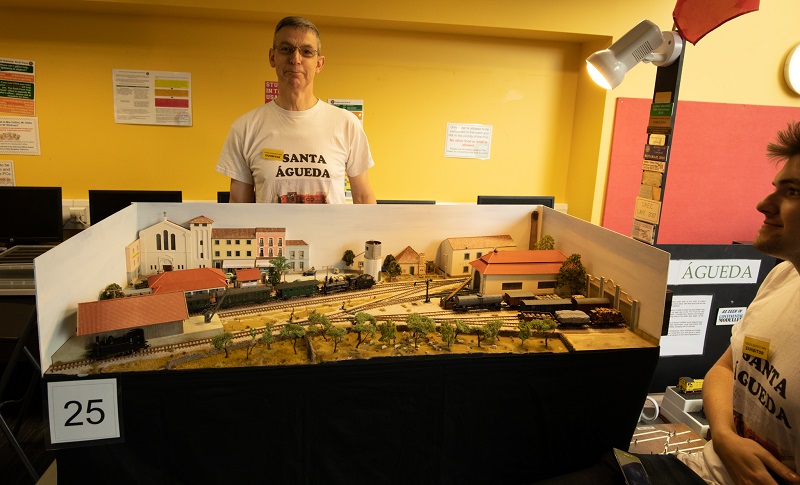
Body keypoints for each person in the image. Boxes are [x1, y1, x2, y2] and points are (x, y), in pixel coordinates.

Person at [537, 121, 800, 485]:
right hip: (701, 468)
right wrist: (725, 438)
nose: (763, 205)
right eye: (777, 188)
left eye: (793, 192)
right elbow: (724, 370)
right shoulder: (783, 277)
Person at [216, 16, 377, 204]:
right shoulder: (244, 129)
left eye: (306, 52)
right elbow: (238, 207)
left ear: (319, 63)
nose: (295, 59)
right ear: (272, 57)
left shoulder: (347, 124)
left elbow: (363, 198)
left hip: (331, 225)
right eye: (286, 49)